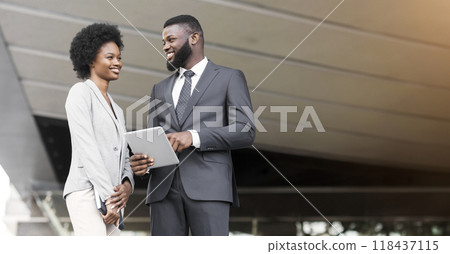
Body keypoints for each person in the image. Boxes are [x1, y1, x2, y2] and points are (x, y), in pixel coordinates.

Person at [130, 15, 256, 236]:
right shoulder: (159, 88)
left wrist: (193, 136)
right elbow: (154, 139)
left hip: (209, 188)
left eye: (170, 40)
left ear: (194, 38)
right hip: (163, 190)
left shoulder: (229, 77)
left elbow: (245, 130)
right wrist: (144, 163)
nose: (165, 47)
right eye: (163, 43)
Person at [63, 23, 139, 235]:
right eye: (110, 57)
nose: (117, 63)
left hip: (112, 200)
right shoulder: (80, 93)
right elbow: (87, 148)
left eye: (119, 57)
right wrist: (109, 198)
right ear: (90, 60)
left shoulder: (117, 109)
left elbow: (124, 157)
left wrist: (126, 186)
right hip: (87, 192)